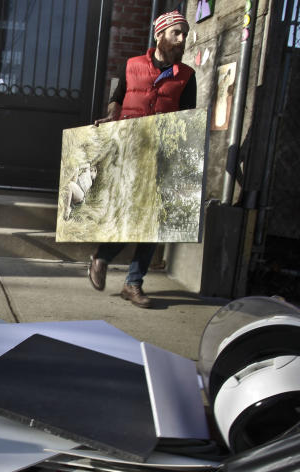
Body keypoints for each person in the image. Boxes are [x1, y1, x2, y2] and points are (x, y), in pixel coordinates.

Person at [88, 10, 197, 308]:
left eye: (184, 34)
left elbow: (188, 120)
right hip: (129, 151)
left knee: (155, 224)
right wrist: (111, 115)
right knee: (129, 217)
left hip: (162, 155)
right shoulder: (132, 65)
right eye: (176, 33)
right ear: (159, 35)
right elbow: (118, 97)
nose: (182, 39)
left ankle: (133, 283)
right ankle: (102, 257)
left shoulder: (187, 76)